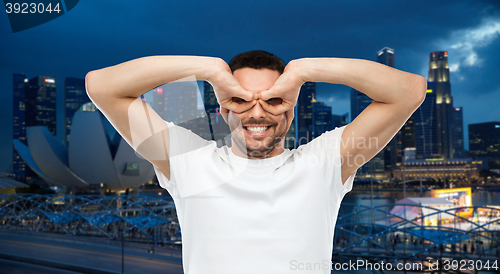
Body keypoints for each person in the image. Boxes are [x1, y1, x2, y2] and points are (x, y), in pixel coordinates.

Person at [85, 50, 426, 273]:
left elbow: (409, 91)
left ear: (290, 113)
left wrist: (303, 71)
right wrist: (210, 69)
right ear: (223, 109)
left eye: (274, 100)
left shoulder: (323, 164)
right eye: (241, 100)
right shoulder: (187, 161)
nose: (258, 112)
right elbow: (101, 86)